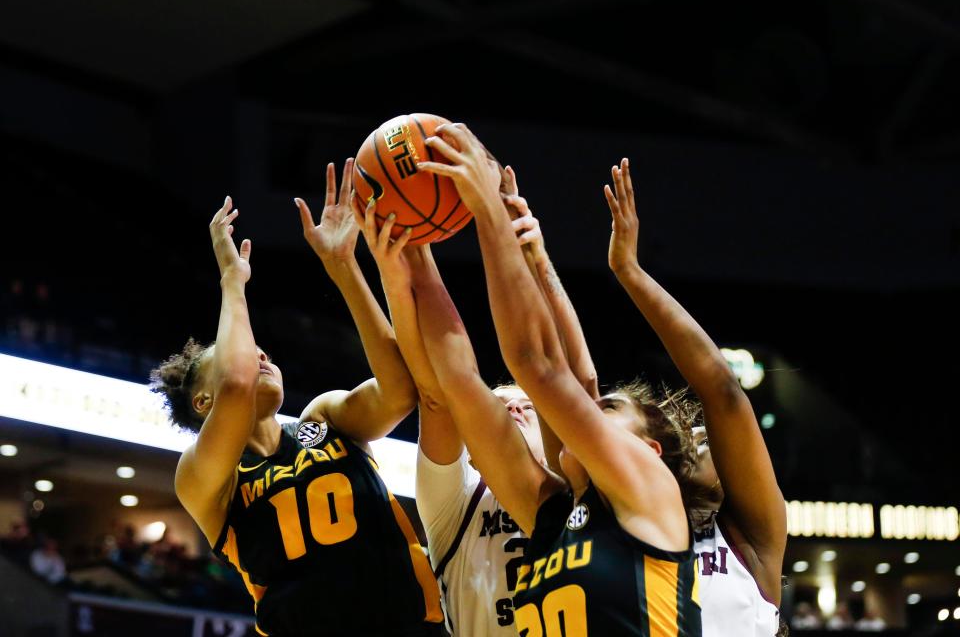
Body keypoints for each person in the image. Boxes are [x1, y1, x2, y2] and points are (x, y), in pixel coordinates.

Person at [418, 123, 701, 635]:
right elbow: (458, 379)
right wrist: (411, 252)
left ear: (649, 450)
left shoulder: (648, 494)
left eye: (607, 410)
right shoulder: (551, 515)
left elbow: (543, 366)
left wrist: (488, 215)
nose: (587, 409)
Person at [149, 159, 442, 637]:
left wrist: (343, 265)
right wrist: (231, 280)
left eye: (258, 348)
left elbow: (400, 392)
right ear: (204, 402)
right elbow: (239, 385)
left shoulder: (323, 419)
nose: (257, 354)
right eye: (239, 351)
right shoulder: (202, 478)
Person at [354, 163, 599, 636]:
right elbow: (439, 394)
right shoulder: (458, 498)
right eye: (500, 401)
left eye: (527, 404)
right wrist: (407, 256)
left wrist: (535, 259)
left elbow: (572, 378)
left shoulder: (584, 489)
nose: (512, 406)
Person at [603, 158, 787, 637]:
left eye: (706, 434)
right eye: (695, 435)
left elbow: (723, 392)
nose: (706, 435)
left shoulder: (749, 538)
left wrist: (631, 273)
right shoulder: (619, 529)